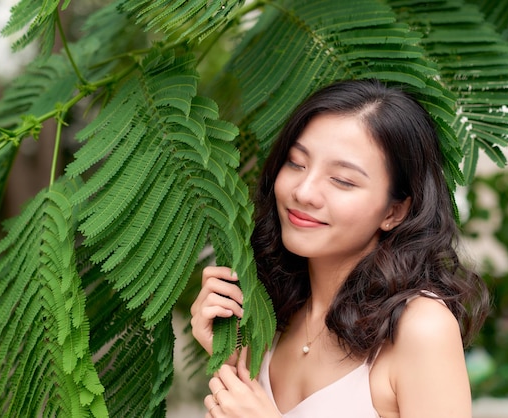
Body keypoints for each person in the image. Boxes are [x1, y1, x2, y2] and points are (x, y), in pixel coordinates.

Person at [190, 79, 490, 418]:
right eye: (296, 163)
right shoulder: (268, 311)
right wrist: (230, 360)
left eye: (342, 180)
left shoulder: (420, 327)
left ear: (395, 212)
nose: (303, 192)